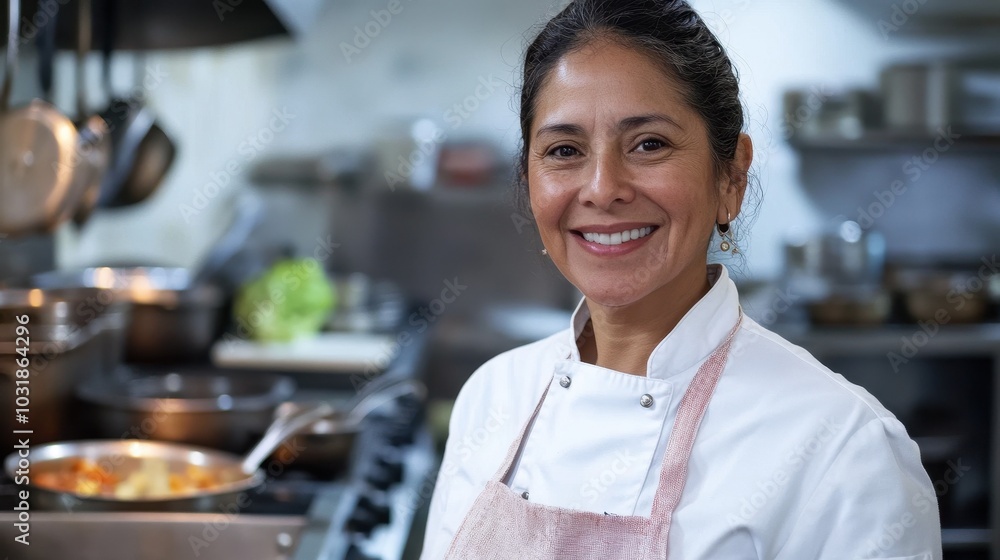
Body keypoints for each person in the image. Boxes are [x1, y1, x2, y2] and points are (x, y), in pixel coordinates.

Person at [420, 0, 942, 558]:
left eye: (649, 144)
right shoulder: (492, 398)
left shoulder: (842, 449)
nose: (602, 188)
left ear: (731, 176)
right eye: (564, 150)